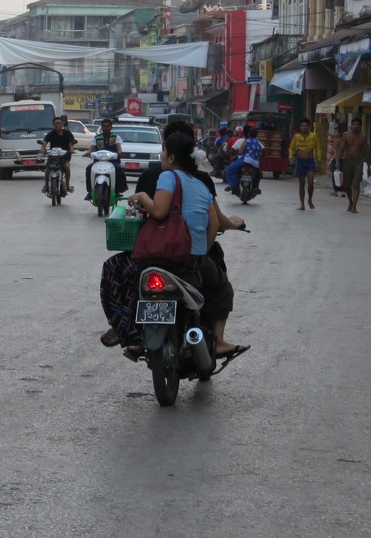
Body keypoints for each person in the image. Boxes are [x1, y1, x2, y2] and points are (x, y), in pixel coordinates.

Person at [100, 128, 249, 359]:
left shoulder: (167, 176)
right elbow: (213, 225)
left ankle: (127, 329)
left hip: (160, 257)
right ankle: (218, 340)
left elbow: (159, 212)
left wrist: (141, 198)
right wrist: (202, 251)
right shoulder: (201, 185)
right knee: (221, 287)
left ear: (171, 157)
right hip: (192, 262)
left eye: (164, 152)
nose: (161, 157)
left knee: (113, 270)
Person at [85, 117, 128, 199]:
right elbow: (91, 149)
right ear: (102, 127)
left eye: (108, 126)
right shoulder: (96, 138)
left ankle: (117, 191)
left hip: (113, 162)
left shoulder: (116, 137)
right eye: (104, 126)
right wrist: (87, 153)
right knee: (88, 169)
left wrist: (120, 153)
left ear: (111, 127)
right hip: (98, 162)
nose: (106, 128)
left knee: (119, 170)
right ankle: (90, 192)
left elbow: (119, 148)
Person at [288, 117, 323, 211]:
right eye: (303, 126)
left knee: (311, 183)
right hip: (300, 162)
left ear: (309, 127)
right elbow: (291, 148)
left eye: (306, 126)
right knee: (301, 184)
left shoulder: (313, 136)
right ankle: (302, 204)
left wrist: (319, 161)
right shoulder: (296, 137)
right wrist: (290, 158)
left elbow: (318, 148)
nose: (304, 127)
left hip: (310, 162)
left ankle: (310, 200)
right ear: (300, 127)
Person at [335, 117, 367, 213]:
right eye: (354, 124)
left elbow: (365, 149)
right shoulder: (346, 135)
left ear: (360, 126)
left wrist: (368, 164)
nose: (356, 126)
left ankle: (354, 206)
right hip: (347, 161)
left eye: (358, 124)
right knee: (346, 185)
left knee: (356, 184)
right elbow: (341, 148)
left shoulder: (363, 136)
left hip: (358, 161)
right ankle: (350, 201)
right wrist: (337, 160)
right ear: (351, 125)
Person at [39, 115, 77, 193]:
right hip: (53, 157)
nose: (57, 125)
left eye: (59, 123)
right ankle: (46, 186)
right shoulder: (51, 134)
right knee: (48, 168)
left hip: (64, 156)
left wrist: (71, 149)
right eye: (55, 123)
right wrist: (43, 149)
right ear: (53, 125)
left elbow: (71, 144)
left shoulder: (67, 133)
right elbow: (44, 143)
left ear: (62, 124)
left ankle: (67, 185)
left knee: (66, 167)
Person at [225, 124, 263, 193]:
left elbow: (239, 152)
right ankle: (256, 187)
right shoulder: (258, 142)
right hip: (255, 162)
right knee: (259, 173)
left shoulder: (244, 141)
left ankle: (233, 185)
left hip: (244, 160)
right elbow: (263, 151)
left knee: (231, 169)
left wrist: (234, 156)